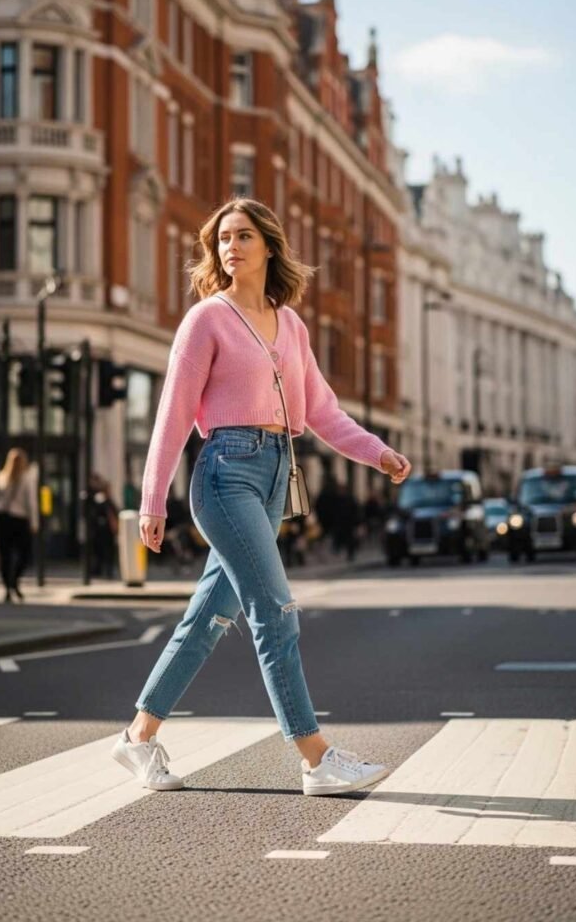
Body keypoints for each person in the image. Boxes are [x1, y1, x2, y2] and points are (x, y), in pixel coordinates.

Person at [111, 198, 411, 795]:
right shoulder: (206, 320)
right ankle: (315, 756)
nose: (231, 247)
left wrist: (377, 451)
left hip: (277, 472)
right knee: (274, 613)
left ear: (268, 246)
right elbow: (172, 415)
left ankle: (137, 738)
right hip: (225, 474)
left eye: (243, 236)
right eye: (222, 239)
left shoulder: (291, 325)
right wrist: (153, 500)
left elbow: (322, 410)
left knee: (208, 618)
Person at [0, 448, 38, 602]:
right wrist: (34, 522)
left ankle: (11, 584)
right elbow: (31, 502)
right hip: (13, 520)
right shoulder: (1, 478)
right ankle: (10, 585)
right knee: (10, 555)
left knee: (12, 555)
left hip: (9, 520)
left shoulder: (22, 478)